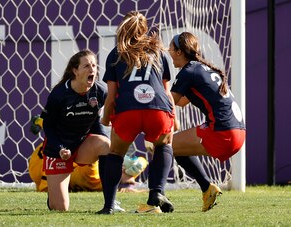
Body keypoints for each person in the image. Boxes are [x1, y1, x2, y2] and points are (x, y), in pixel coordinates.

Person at [96, 11, 177, 214]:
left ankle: (109, 206)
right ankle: (157, 191)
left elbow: (111, 95)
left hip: (128, 110)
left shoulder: (116, 53)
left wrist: (106, 119)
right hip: (157, 109)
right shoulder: (158, 51)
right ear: (144, 29)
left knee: (115, 153)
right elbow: (166, 92)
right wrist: (174, 119)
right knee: (164, 146)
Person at [167, 32, 246, 211]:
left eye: (171, 48)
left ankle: (155, 197)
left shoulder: (188, 71)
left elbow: (169, 102)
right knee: (177, 148)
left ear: (179, 52)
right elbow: (181, 102)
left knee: (164, 145)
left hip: (223, 132)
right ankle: (207, 189)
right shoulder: (200, 69)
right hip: (238, 133)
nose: (169, 52)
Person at [40, 49, 111, 211]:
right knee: (60, 208)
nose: (92, 69)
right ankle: (54, 195)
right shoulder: (59, 94)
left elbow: (97, 120)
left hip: (82, 145)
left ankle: (110, 203)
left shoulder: (100, 91)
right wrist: (59, 148)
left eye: (94, 65)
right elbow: (48, 126)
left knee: (106, 145)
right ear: (75, 71)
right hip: (58, 150)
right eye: (86, 66)